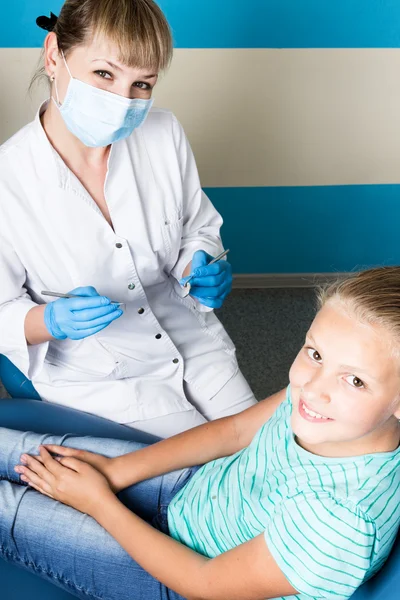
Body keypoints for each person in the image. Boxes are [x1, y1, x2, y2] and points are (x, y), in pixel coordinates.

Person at [1, 266, 400, 600]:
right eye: (315, 354)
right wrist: (118, 472)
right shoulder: (321, 401)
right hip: (196, 497)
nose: (312, 387)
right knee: (29, 451)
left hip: (182, 581)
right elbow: (235, 430)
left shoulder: (342, 521)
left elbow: (204, 583)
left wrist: (99, 501)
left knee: (8, 506)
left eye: (355, 381)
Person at [0, 0, 257, 438]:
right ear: (53, 55)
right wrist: (50, 320)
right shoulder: (9, 181)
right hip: (98, 372)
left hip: (189, 338)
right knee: (210, 482)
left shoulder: (163, 133)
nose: (123, 102)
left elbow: (196, 226)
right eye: (104, 74)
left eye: (142, 84)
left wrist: (199, 259)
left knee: (273, 449)